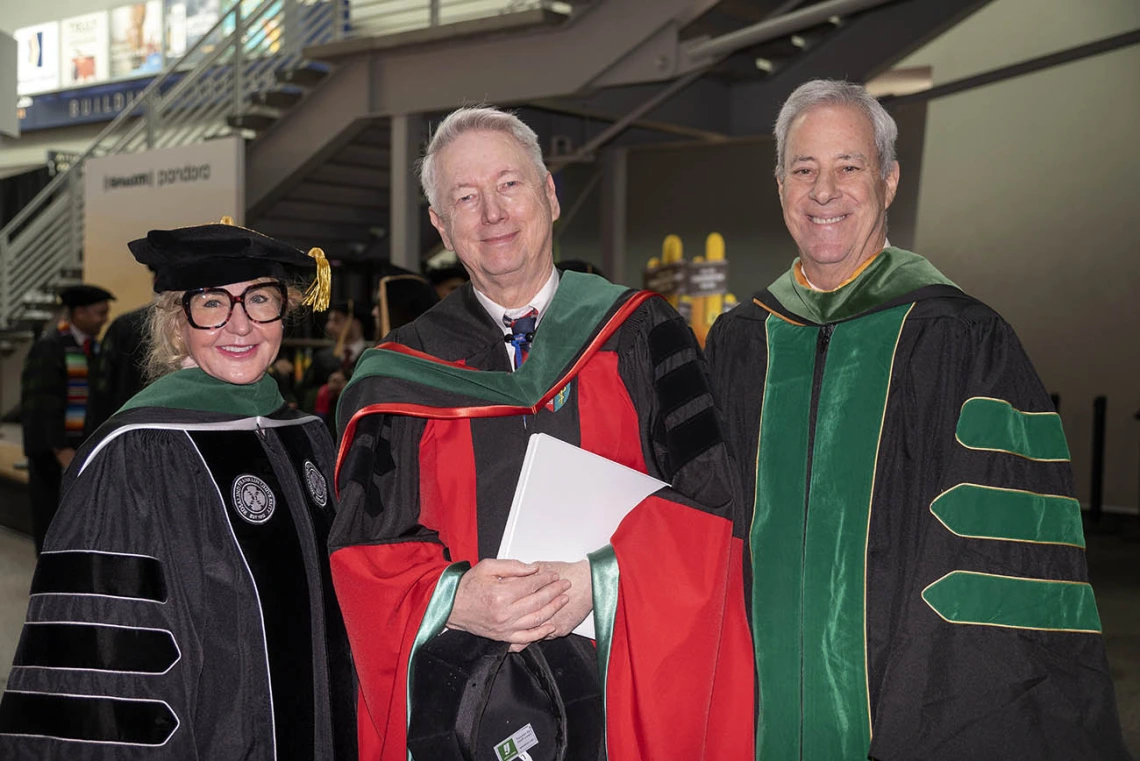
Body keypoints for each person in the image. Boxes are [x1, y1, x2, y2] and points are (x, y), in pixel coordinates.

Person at [704, 79, 1130, 760]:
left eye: (850, 166)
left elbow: (1002, 568)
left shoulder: (963, 340)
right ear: (779, 183)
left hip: (911, 714)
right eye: (804, 168)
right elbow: (701, 529)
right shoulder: (738, 342)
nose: (825, 190)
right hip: (751, 712)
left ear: (890, 180)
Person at [331, 106, 753, 760]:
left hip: (620, 688)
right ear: (441, 225)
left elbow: (716, 502)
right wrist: (453, 597)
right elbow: (364, 551)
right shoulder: (397, 374)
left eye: (509, 185)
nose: (492, 213)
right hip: (467, 704)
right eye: (465, 198)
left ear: (550, 194)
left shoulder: (644, 333)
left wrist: (603, 581)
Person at [0, 221, 357, 759]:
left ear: (283, 314)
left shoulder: (306, 435)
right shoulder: (134, 453)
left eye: (259, 299)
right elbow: (105, 662)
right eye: (213, 304)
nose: (240, 326)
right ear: (176, 325)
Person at [20, 283, 114, 554]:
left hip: (80, 445)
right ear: (80, 313)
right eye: (99, 313)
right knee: (50, 517)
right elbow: (41, 402)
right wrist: (60, 448)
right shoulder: (51, 346)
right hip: (53, 453)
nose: (104, 319)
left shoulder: (91, 347)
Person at [85, 304, 150, 433]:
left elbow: (102, 389)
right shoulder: (128, 326)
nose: (105, 319)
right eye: (101, 313)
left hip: (124, 424)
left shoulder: (126, 324)